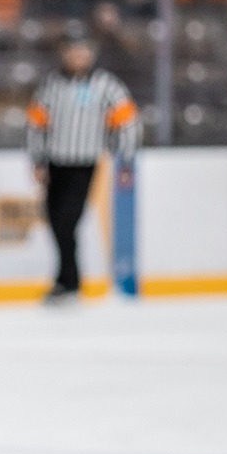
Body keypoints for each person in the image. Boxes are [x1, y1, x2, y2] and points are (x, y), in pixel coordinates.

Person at [25, 34, 140, 305]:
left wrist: (125, 157)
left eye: (83, 51)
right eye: (73, 51)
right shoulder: (51, 85)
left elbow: (127, 120)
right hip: (55, 163)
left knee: (67, 222)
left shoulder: (106, 85)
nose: (78, 57)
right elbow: (36, 124)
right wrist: (37, 160)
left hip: (84, 164)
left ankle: (67, 281)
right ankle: (67, 280)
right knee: (55, 222)